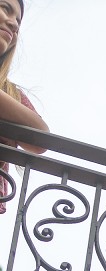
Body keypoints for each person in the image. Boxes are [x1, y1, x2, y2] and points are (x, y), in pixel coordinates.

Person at [0, 0, 50, 213]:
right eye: (5, 9)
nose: (14, 24)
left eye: (18, 21)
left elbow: (40, 138)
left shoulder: (10, 92)